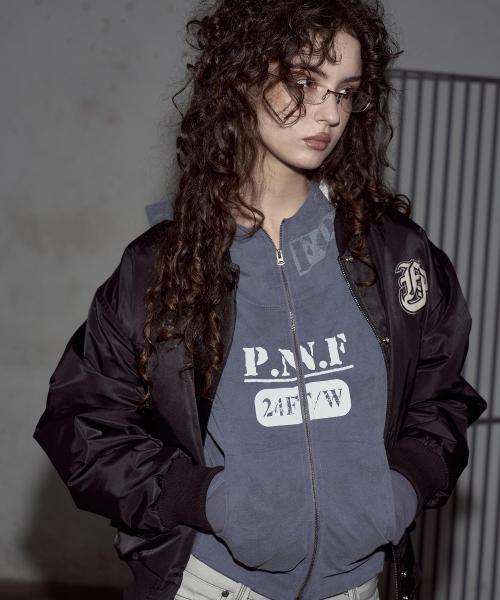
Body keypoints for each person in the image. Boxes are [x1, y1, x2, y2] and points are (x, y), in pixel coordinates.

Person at [33, 1, 487, 599]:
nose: (330, 112)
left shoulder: (394, 252)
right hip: (213, 584)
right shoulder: (162, 268)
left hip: (357, 587)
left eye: (345, 91)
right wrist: (204, 498)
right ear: (243, 77)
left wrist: (404, 484)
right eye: (304, 83)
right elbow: (82, 422)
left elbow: (440, 394)